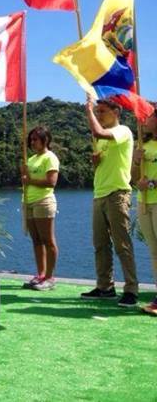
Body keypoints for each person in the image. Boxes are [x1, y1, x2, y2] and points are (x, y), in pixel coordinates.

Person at [81, 95, 139, 307]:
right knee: (100, 245)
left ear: (116, 112)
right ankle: (105, 287)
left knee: (122, 244)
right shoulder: (102, 139)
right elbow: (103, 162)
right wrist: (96, 162)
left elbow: (98, 132)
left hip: (117, 193)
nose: (99, 115)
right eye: (97, 111)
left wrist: (88, 110)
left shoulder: (123, 131)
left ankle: (131, 290)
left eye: (102, 111)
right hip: (100, 194)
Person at [21, 126, 60, 291]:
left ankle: (50, 278)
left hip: (43, 202)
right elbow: (26, 180)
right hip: (29, 202)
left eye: (35, 139)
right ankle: (41, 274)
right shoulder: (31, 159)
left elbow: (51, 182)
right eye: (31, 139)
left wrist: (29, 180)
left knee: (48, 240)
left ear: (46, 140)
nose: (32, 142)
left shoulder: (50, 157)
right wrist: (24, 174)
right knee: (36, 240)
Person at [132, 106, 157, 315]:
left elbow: (149, 182)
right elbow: (133, 177)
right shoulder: (142, 145)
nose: (144, 120)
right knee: (154, 251)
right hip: (143, 203)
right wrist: (136, 160)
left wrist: (150, 184)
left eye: (148, 117)